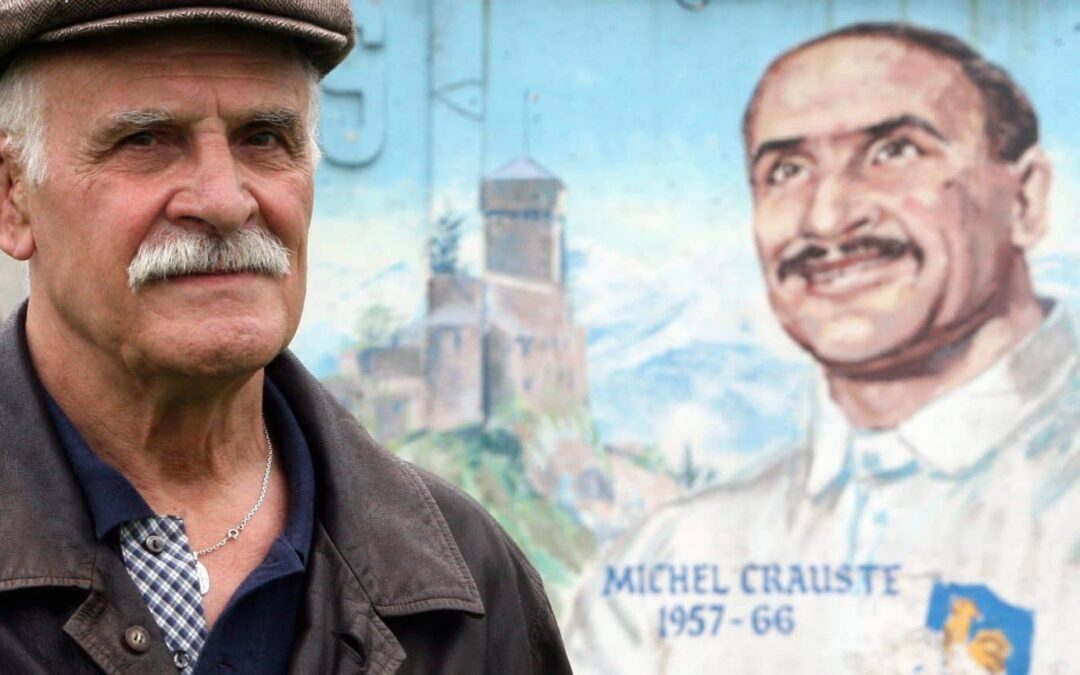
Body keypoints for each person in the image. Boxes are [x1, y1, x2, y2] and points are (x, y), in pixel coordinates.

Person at [0, 3, 571, 673]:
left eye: (265, 138)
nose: (223, 200)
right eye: (146, 140)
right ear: (13, 197)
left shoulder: (464, 584)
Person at [566, 22, 1077, 675]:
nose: (828, 217)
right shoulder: (666, 563)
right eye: (786, 170)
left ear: (1027, 199)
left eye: (895, 151)